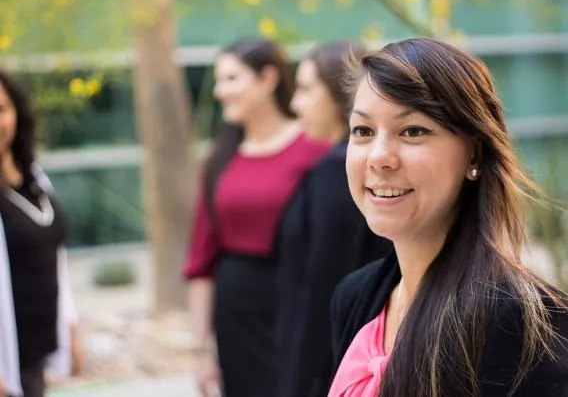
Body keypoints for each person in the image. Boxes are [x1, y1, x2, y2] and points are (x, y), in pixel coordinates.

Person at [328, 37, 568, 396]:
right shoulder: (355, 298)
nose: (379, 157)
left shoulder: (526, 321)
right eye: (363, 131)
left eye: (412, 131)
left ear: (474, 155)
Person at [182, 38, 330, 397]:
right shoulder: (219, 159)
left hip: (299, 307)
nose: (220, 92)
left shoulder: (317, 150)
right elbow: (201, 261)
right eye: (218, 81)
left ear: (268, 78)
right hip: (236, 319)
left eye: (231, 79)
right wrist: (200, 351)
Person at [275, 41, 393, 397]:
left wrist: (298, 383)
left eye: (308, 88)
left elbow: (323, 288)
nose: (296, 103)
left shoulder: (335, 172)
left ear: (341, 92)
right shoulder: (340, 167)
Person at [0, 70, 83, 397]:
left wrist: (70, 328)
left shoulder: (33, 176)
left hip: (32, 360)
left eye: (2, 109)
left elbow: (53, 258)